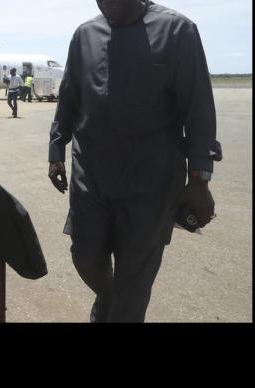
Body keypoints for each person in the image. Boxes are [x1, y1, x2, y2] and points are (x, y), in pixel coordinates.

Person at [48, 0, 219, 323]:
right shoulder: (85, 35)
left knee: (134, 281)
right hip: (92, 176)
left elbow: (198, 109)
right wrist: (56, 149)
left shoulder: (178, 31)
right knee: (85, 255)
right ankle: (109, 301)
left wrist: (199, 180)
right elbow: (70, 96)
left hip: (152, 183)